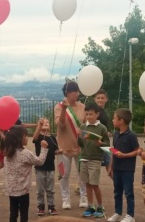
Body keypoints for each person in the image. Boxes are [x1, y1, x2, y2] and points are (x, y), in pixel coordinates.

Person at [3, 125, 48, 222]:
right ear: (19, 138)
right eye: (25, 136)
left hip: (11, 190)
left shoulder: (7, 153)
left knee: (13, 213)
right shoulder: (25, 153)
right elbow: (40, 161)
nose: (27, 138)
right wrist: (44, 148)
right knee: (24, 214)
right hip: (23, 191)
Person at [54, 81, 87, 210]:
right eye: (75, 91)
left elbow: (85, 125)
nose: (78, 94)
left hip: (79, 146)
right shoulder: (59, 106)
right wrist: (64, 109)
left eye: (78, 91)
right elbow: (60, 124)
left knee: (82, 173)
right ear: (68, 93)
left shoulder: (82, 107)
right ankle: (65, 199)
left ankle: (84, 197)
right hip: (63, 147)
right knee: (63, 174)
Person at [107, 108, 142, 222]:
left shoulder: (131, 135)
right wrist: (110, 166)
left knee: (128, 192)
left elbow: (137, 151)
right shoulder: (116, 134)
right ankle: (117, 212)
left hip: (127, 169)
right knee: (117, 191)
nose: (113, 120)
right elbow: (114, 151)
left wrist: (124, 155)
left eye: (114, 118)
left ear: (121, 121)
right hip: (117, 168)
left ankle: (130, 215)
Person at [78, 103, 110, 218]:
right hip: (84, 157)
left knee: (94, 184)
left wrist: (100, 143)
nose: (88, 116)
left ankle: (100, 206)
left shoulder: (102, 128)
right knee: (87, 183)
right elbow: (80, 144)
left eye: (91, 114)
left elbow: (108, 145)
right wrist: (79, 137)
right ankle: (90, 206)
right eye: (86, 114)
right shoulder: (83, 127)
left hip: (96, 159)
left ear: (97, 114)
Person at [32, 118, 62, 216]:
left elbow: (55, 151)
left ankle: (51, 206)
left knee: (50, 189)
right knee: (40, 189)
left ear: (50, 126)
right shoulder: (39, 136)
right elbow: (34, 138)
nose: (45, 123)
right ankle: (40, 206)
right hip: (40, 168)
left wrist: (60, 151)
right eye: (43, 122)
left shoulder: (52, 138)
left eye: (47, 122)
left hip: (50, 167)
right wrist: (39, 126)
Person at [94, 89, 112, 173]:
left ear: (106, 99)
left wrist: (109, 132)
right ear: (95, 99)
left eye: (102, 98)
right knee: (109, 164)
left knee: (109, 164)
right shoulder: (95, 112)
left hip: (104, 142)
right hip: (99, 142)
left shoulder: (103, 111)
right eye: (98, 98)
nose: (100, 100)